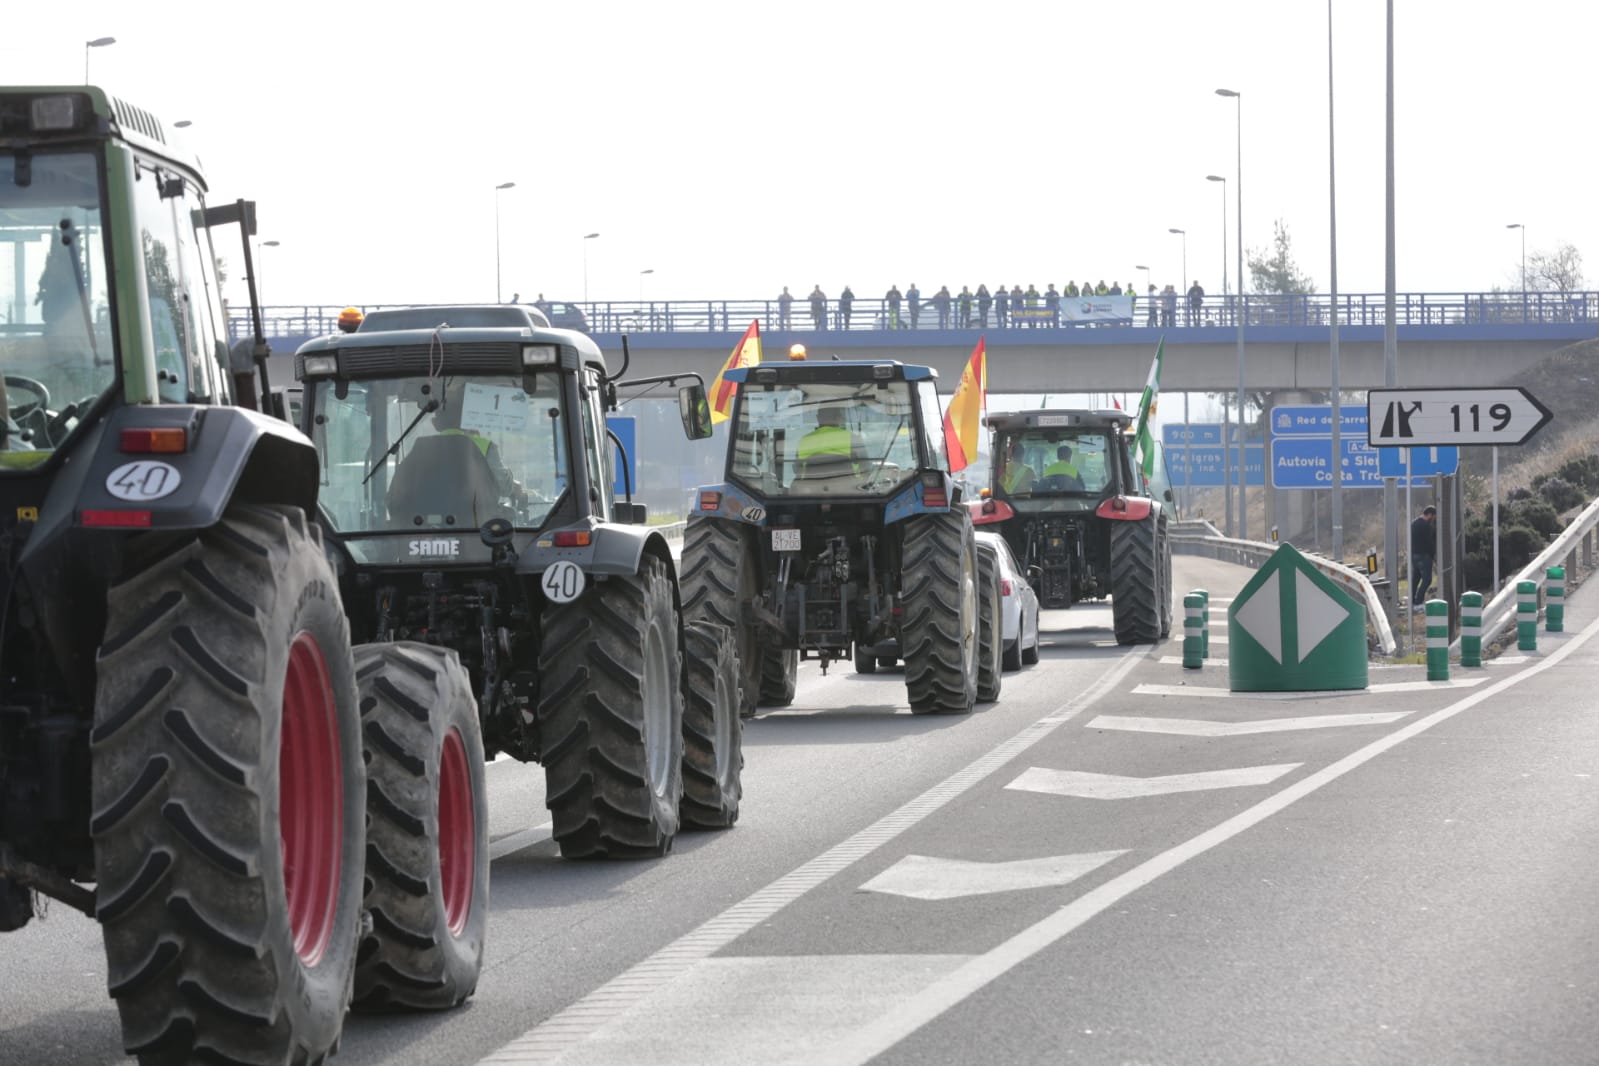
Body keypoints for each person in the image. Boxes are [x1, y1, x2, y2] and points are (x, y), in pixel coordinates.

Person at [796, 405, 864, 478]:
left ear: (818, 418)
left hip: (810, 484)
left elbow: (796, 470)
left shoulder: (804, 440)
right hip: (847, 484)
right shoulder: (853, 438)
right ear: (838, 418)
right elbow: (865, 468)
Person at [1410, 505, 1437, 608]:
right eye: (1433, 517)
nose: (1433, 519)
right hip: (1424, 556)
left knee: (1416, 579)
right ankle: (1419, 601)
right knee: (1427, 580)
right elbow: (1429, 543)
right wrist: (1433, 556)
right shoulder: (1426, 526)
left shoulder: (1413, 523)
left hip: (1414, 555)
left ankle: (1412, 601)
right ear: (1430, 514)